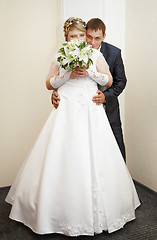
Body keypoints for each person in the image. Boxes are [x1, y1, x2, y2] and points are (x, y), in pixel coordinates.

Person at [6, 17, 140, 236]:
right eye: (76, 36)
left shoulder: (99, 53)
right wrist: (66, 74)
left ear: (101, 37)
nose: (81, 40)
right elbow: (50, 83)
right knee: (62, 152)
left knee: (102, 153)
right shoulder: (61, 55)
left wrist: (90, 73)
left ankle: (109, 203)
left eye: (82, 36)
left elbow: (110, 81)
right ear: (67, 38)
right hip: (67, 107)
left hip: (92, 106)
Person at [52, 18, 127, 161]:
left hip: (108, 108)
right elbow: (63, 79)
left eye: (97, 38)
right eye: (89, 37)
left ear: (104, 36)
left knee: (116, 147)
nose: (92, 42)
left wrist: (106, 96)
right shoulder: (73, 51)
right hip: (82, 110)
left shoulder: (114, 52)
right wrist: (55, 94)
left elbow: (121, 81)